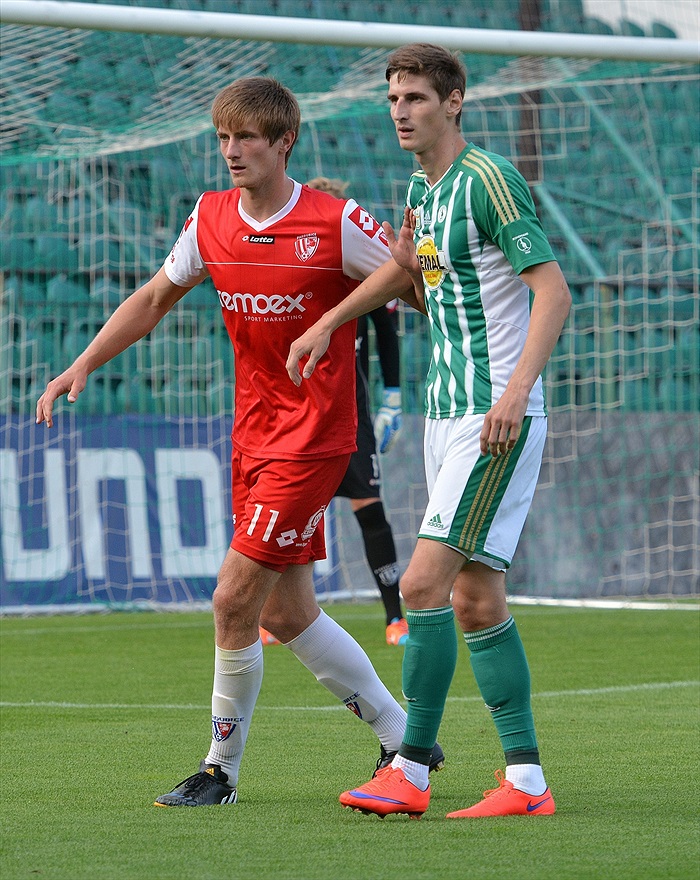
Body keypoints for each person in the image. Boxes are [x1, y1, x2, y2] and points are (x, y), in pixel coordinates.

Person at [35, 76, 445, 807]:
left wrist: (413, 266)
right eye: (223, 138)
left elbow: (416, 293)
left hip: (315, 439)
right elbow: (154, 298)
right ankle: (401, 734)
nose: (231, 151)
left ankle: (219, 772)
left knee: (232, 600)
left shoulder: (334, 221)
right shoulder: (211, 217)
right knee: (286, 612)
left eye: (246, 138)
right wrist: (83, 363)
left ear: (284, 142)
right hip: (253, 436)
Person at [286, 43, 572, 819]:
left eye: (414, 97)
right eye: (392, 98)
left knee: (420, 586)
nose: (400, 111)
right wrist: (332, 320)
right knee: (477, 600)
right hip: (444, 416)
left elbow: (552, 292)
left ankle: (409, 768)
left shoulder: (487, 180)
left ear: (453, 101)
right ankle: (526, 784)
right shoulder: (423, 189)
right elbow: (412, 278)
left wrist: (515, 392)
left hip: (492, 417)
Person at [309, 176, 409, 647]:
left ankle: (394, 617)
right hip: (298, 407)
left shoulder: (360, 264)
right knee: (291, 512)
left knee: (369, 508)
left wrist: (393, 396)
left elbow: (386, 329)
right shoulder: (296, 261)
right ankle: (276, 614)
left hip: (349, 409)